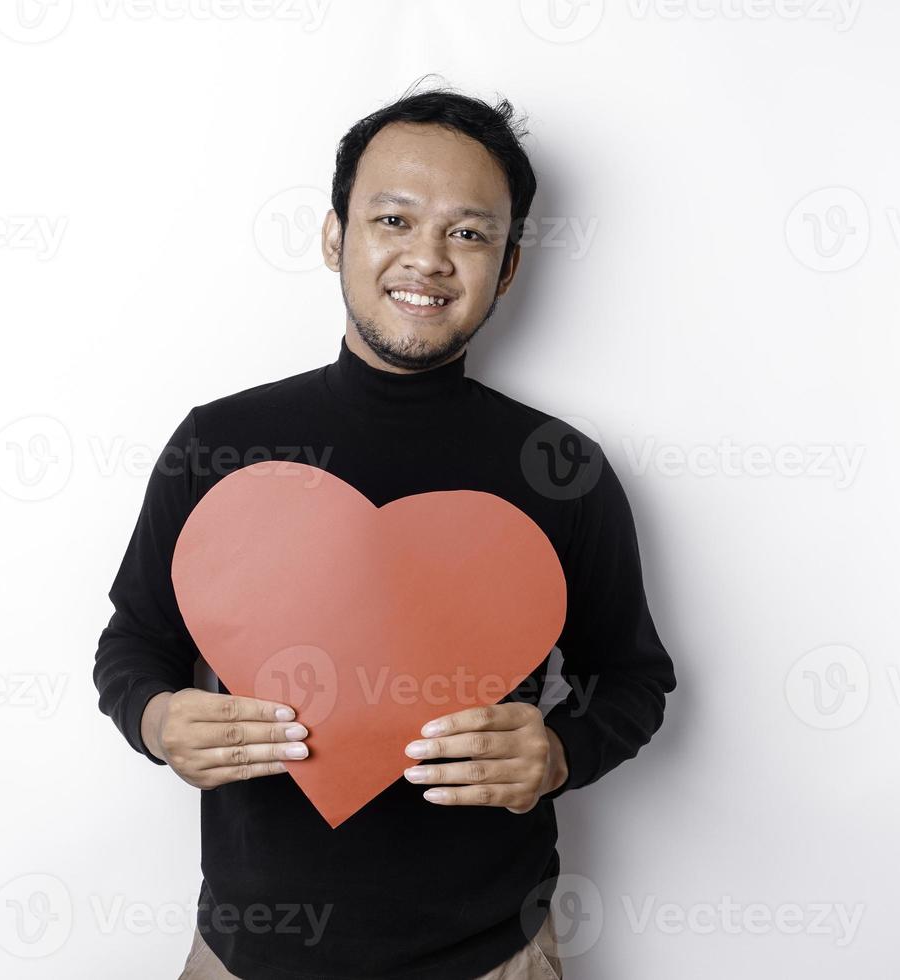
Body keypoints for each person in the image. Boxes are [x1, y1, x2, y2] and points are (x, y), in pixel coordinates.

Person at [93, 80, 677, 980]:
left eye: (470, 232)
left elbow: (634, 679)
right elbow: (133, 642)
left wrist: (561, 752)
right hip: (249, 954)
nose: (430, 258)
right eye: (394, 220)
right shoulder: (220, 443)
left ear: (509, 266)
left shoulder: (562, 468)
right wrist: (159, 718)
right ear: (336, 237)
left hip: (493, 955)